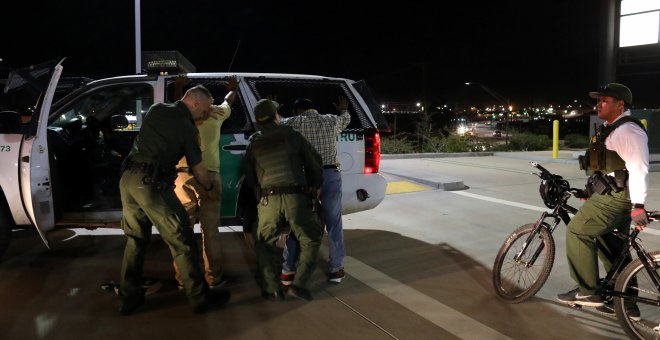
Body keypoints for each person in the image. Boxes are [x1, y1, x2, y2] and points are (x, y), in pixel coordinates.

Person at [118, 84, 230, 315]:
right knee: (183, 239)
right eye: (206, 108)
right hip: (151, 184)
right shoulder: (188, 128)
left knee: (135, 240)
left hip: (128, 180)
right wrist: (209, 187)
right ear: (195, 103)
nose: (207, 113)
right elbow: (198, 169)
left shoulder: (157, 109)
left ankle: (129, 298)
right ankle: (200, 298)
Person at [557, 83, 649, 315]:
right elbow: (608, 168)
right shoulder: (613, 128)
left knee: (577, 232)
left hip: (615, 199)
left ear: (620, 105)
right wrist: (590, 191)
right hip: (611, 195)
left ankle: (588, 291)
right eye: (598, 100)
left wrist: (639, 205)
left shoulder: (628, 131)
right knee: (614, 250)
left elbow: (638, 169)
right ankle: (626, 304)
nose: (598, 104)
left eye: (604, 100)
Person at [243, 99, 324, 301]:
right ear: (275, 117)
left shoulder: (254, 142)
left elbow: (249, 177)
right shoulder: (292, 135)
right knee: (311, 239)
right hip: (295, 197)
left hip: (267, 201)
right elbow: (314, 163)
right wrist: (315, 185)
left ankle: (271, 289)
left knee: (264, 243)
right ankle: (299, 286)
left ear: (258, 120)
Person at [172, 76, 239, 290]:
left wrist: (179, 86)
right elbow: (228, 102)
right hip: (209, 177)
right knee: (210, 232)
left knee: (183, 231)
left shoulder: (182, 116)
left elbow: (178, 105)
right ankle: (214, 278)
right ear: (205, 103)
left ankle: (184, 280)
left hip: (183, 177)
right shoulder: (217, 114)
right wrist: (233, 89)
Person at [279, 97, 351, 284]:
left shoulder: (293, 122)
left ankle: (288, 271)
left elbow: (276, 122)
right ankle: (336, 269)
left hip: (305, 179)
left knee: (297, 223)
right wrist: (343, 110)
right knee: (334, 223)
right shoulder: (330, 120)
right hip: (330, 176)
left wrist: (275, 110)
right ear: (313, 109)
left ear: (297, 111)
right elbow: (345, 119)